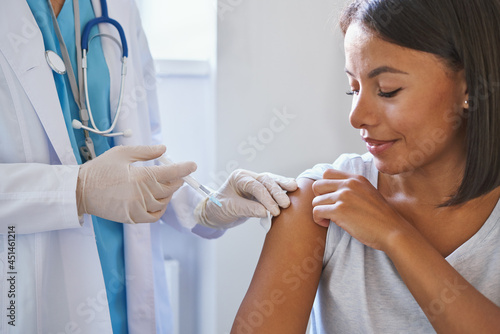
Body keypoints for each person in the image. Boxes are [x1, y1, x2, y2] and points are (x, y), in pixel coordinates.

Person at [0, 0, 298, 333]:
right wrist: (76, 190)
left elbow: (140, 145)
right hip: (27, 280)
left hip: (125, 288)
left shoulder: (117, 7)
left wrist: (203, 207)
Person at [231, 0, 500, 333]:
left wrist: (395, 235)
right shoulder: (319, 204)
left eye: (387, 90)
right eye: (352, 88)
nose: (357, 116)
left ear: (470, 86)